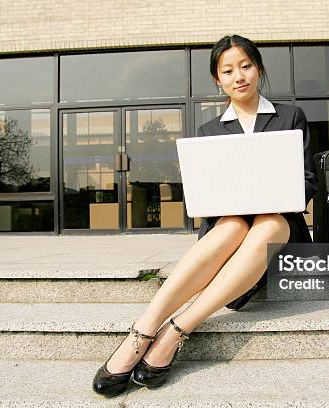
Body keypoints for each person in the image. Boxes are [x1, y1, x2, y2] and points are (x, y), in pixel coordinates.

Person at [92, 34, 316, 398]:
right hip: (230, 228)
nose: (239, 76)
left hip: (278, 225)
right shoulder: (210, 130)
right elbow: (205, 195)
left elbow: (308, 180)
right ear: (218, 79)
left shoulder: (290, 116)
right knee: (230, 226)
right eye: (228, 70)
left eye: (245, 66)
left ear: (258, 68)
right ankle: (144, 328)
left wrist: (275, 196)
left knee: (268, 222)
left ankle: (175, 330)